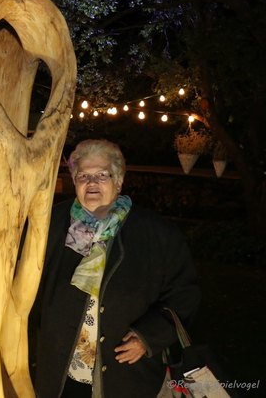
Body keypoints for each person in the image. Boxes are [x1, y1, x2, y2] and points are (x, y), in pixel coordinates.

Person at [33, 139, 200, 398]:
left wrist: (148, 337)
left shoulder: (155, 233)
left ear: (119, 181)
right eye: (83, 176)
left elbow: (185, 293)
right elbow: (11, 253)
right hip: (62, 375)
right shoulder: (53, 222)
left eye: (102, 175)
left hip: (126, 379)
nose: (92, 183)